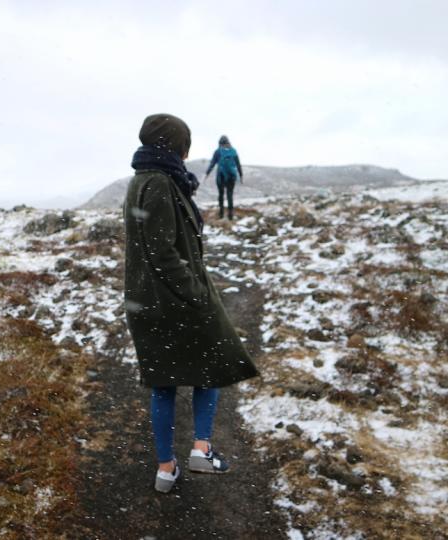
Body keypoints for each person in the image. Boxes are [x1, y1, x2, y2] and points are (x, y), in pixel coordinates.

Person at [123, 114, 259, 493]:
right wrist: (194, 291)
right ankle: (201, 447)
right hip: (174, 298)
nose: (187, 151)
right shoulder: (161, 183)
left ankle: (166, 470)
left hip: (146, 299)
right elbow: (162, 251)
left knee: (164, 383)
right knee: (213, 363)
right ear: (174, 146)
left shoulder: (142, 181)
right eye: (185, 144)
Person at [204, 135, 244, 220]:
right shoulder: (233, 151)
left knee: (221, 194)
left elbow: (212, 163)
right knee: (230, 195)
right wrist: (241, 175)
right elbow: (238, 165)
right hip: (231, 176)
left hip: (221, 175)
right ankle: (230, 215)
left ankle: (221, 214)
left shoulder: (218, 151)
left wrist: (207, 173)